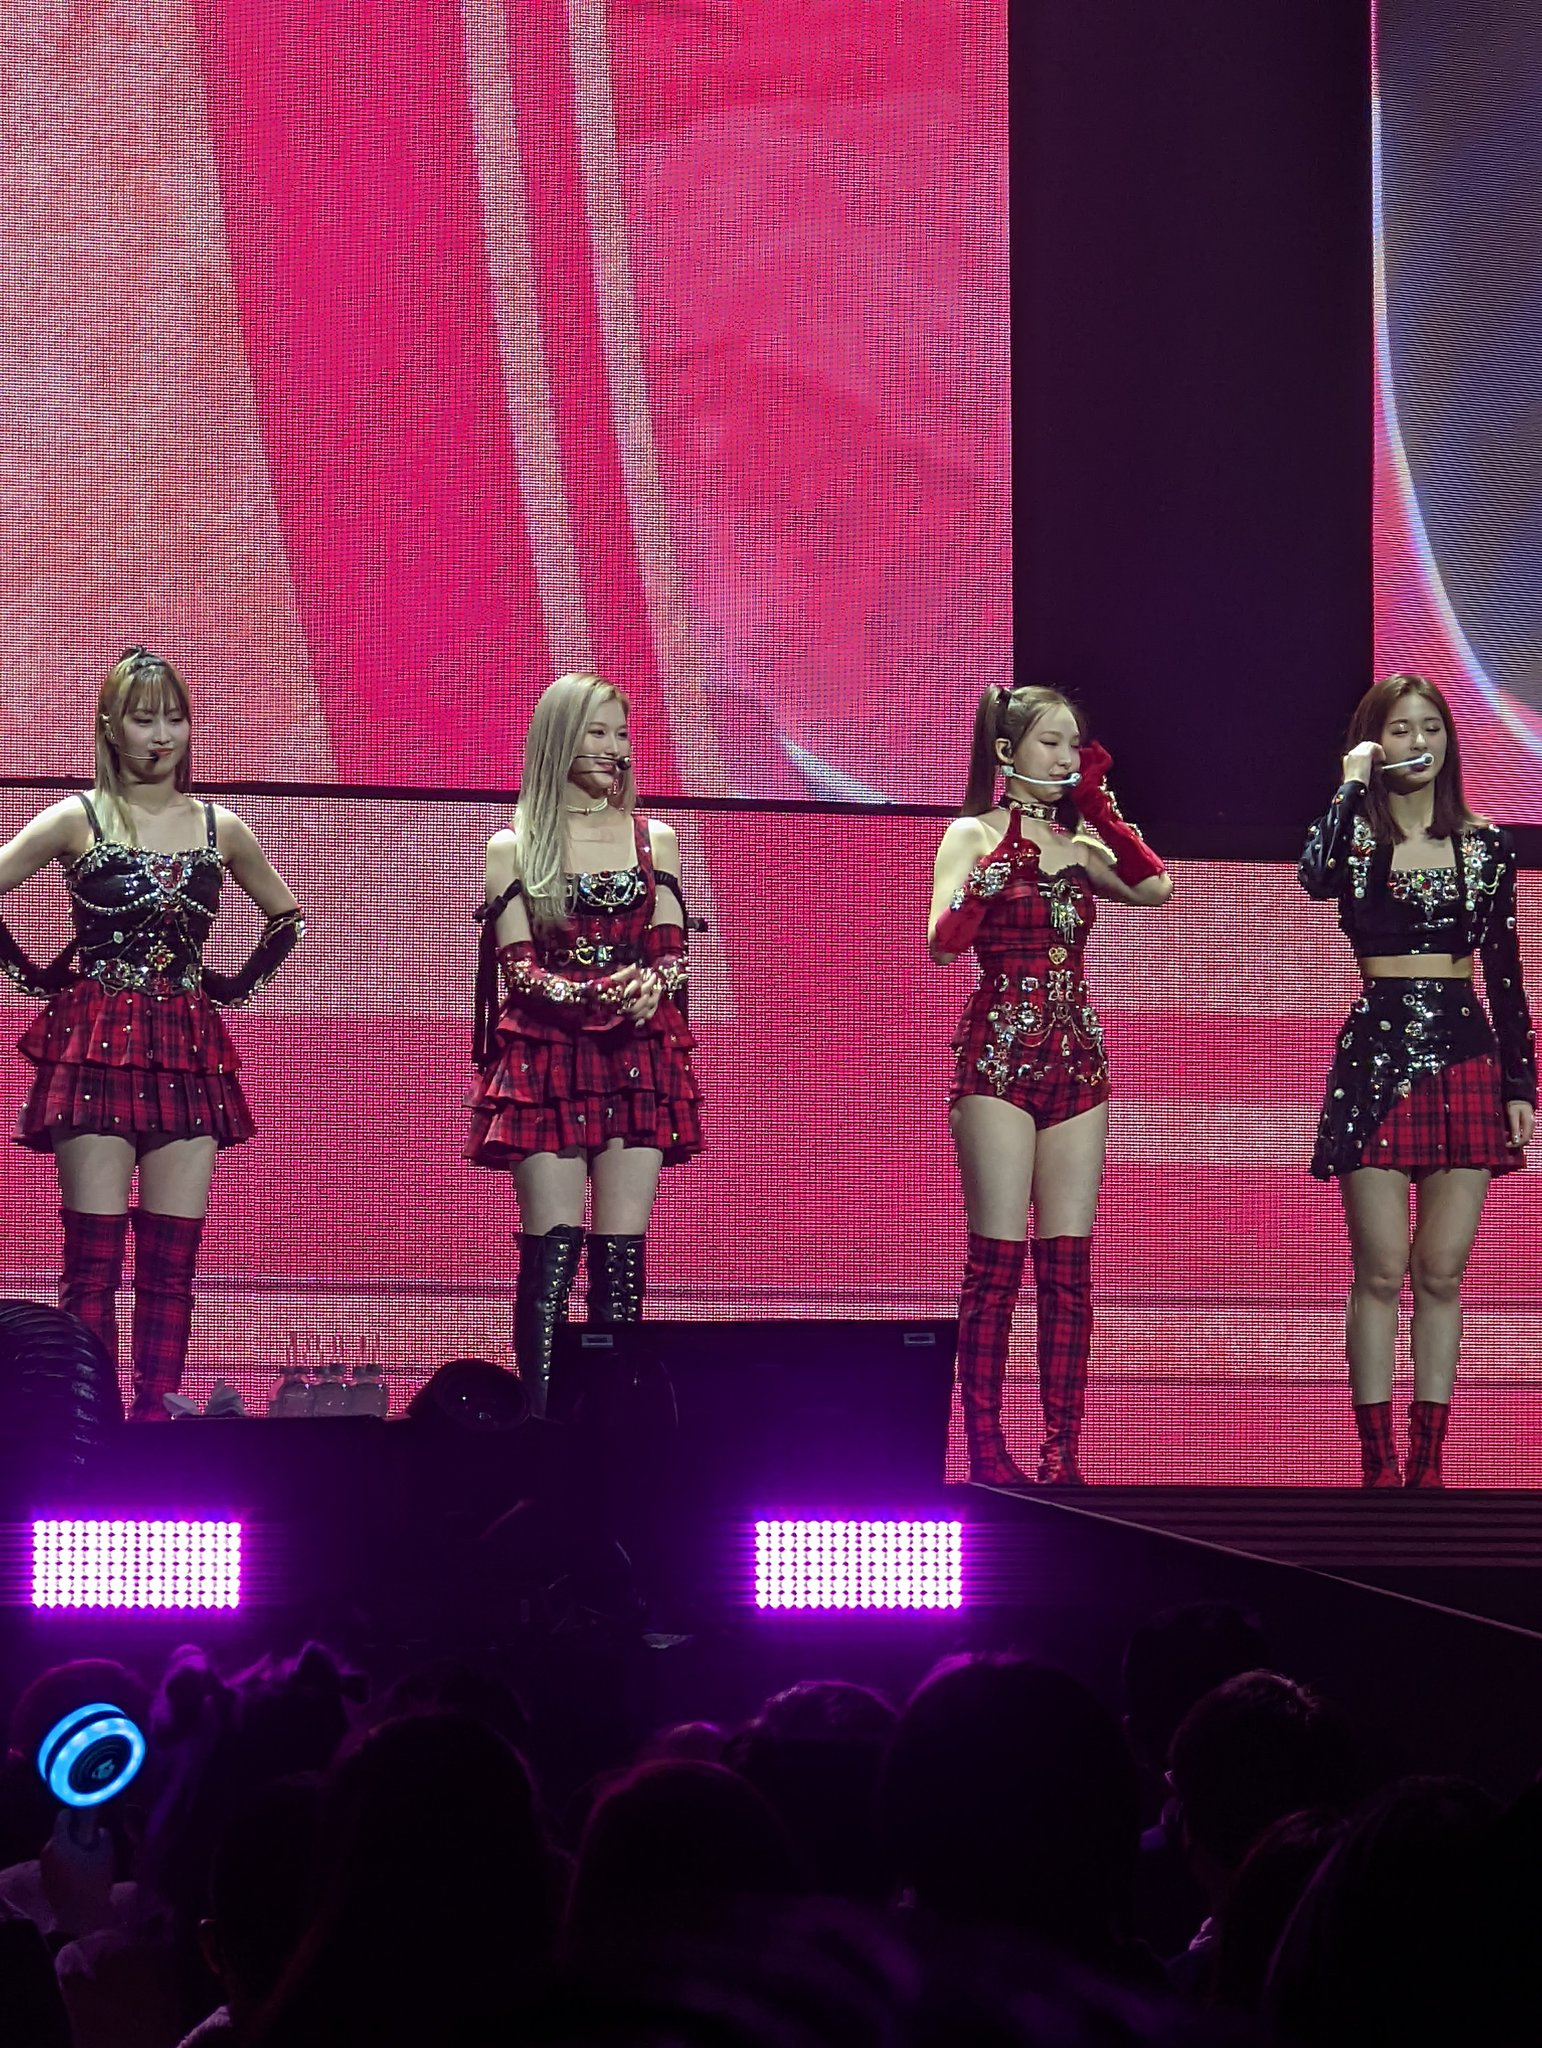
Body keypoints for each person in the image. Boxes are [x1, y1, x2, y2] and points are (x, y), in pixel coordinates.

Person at [0, 650, 302, 1419]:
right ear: (110, 726)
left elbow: (287, 916)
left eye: (175, 718)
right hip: (94, 1044)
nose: (161, 735)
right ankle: (88, 1420)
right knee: (92, 1265)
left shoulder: (219, 827)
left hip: (186, 1048)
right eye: (144, 719)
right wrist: (33, 976)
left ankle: (157, 1416)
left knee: (171, 1266)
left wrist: (230, 986)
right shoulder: (77, 818)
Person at [928, 685, 1172, 1486]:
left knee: (1067, 1271)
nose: (1067, 757)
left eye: (1076, 745)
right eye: (1051, 743)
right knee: (996, 1266)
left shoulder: (1080, 845)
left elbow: (1156, 887)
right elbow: (941, 942)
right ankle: (987, 1451)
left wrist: (1098, 811)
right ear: (1007, 753)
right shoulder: (971, 833)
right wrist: (998, 864)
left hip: (1077, 1059)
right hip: (1000, 1056)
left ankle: (1063, 1453)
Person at [1299, 673, 1536, 1487]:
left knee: (1440, 1271)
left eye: (1430, 727)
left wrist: (1521, 1084)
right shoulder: (1357, 841)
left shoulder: (1485, 845)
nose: (1418, 743)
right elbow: (1314, 877)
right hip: (1375, 1060)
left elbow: (1504, 972)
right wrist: (1349, 784)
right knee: (1379, 1269)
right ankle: (1376, 1462)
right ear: (1374, 741)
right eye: (1399, 729)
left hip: (1466, 1057)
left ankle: (1429, 1463)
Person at [465, 673, 703, 1417]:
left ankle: (614, 1427)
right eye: (597, 732)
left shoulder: (654, 838)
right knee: (552, 1256)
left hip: (638, 1059)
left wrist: (655, 985)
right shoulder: (515, 844)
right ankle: (541, 1429)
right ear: (558, 739)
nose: (614, 749)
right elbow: (518, 970)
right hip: (547, 1057)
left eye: (621, 734)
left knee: (622, 1262)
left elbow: (671, 949)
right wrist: (600, 995)